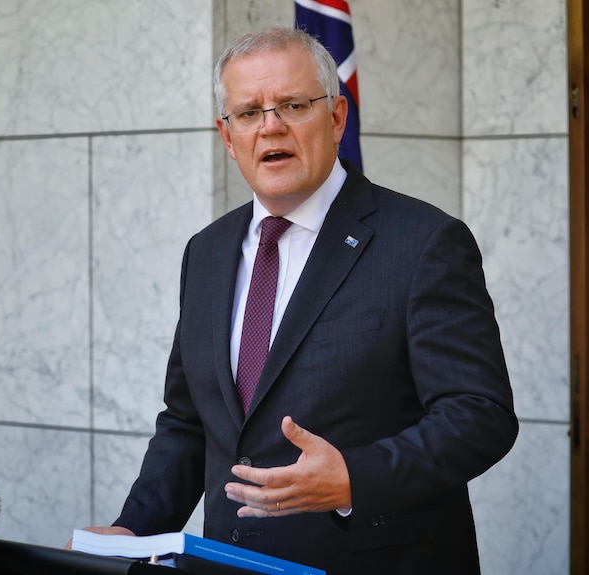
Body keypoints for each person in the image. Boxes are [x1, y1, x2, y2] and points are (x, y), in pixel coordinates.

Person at [72, 26, 518, 574]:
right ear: (227, 135)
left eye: (292, 104)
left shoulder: (423, 242)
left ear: (335, 118)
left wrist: (355, 477)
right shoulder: (207, 252)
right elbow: (190, 421)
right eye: (249, 112)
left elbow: (480, 415)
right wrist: (132, 529)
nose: (271, 126)